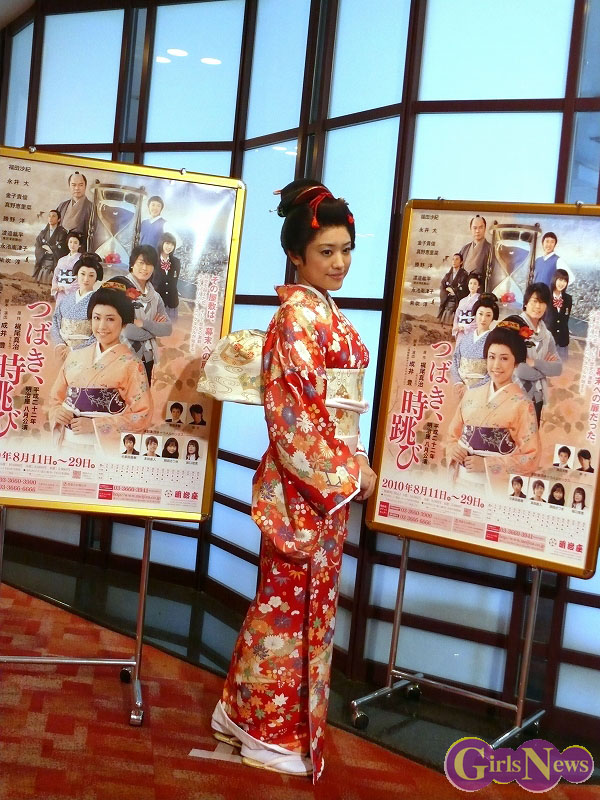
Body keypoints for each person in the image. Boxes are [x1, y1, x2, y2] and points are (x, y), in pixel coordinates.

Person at [211, 179, 376, 781]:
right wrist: (349, 470)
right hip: (304, 487)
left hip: (325, 481)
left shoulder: (322, 313)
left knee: (288, 605)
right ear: (296, 256)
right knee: (289, 608)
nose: (339, 262)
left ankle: (240, 712)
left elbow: (330, 410)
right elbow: (294, 416)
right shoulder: (295, 319)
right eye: (326, 251)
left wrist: (352, 460)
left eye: (346, 249)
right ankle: (267, 731)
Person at [48, 281, 152, 447]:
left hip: (102, 447)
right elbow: (55, 399)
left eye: (110, 319)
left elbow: (142, 414)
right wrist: (58, 412)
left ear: (124, 323)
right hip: (66, 442)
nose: (102, 326)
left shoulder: (132, 364)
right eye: (96, 318)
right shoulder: (75, 355)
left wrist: (96, 426)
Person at [446, 316, 541, 483]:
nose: (496, 365)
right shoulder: (471, 394)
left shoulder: (523, 404)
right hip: (460, 478)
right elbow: (453, 435)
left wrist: (487, 465)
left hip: (492, 486)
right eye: (491, 357)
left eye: (504, 358)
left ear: (516, 363)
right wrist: (454, 449)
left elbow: (531, 456)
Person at [121, 245, 172, 385]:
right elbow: (128, 331)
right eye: (141, 263)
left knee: (143, 396)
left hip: (147, 357)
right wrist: (154, 329)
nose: (145, 268)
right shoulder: (121, 289)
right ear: (132, 264)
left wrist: (144, 324)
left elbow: (168, 329)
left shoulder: (155, 296)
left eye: (149, 264)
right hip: (123, 355)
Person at [514, 282, 562, 426]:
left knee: (532, 435)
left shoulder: (547, 335)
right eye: (534, 301)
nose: (538, 306)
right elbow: (520, 370)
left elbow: (558, 368)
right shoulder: (515, 327)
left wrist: (535, 363)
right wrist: (545, 369)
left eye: (542, 302)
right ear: (525, 303)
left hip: (537, 396)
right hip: (515, 393)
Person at [50, 253, 103, 357]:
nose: (86, 279)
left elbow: (99, 331)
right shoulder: (66, 299)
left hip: (84, 352)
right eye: (82, 274)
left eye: (91, 275)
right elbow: (55, 321)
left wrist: (73, 349)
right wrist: (60, 344)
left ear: (96, 278)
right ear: (76, 275)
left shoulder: (99, 301)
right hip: (62, 349)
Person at [450, 294, 499, 396]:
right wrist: (458, 382)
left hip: (480, 391)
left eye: (488, 315)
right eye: (480, 314)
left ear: (493, 317)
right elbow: (455, 360)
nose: (483, 319)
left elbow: (494, 371)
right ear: (475, 314)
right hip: (460, 388)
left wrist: (470, 388)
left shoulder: (494, 341)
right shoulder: (465, 337)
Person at [57, 172, 93, 244]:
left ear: (85, 186)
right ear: (69, 186)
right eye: (73, 185)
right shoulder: (62, 206)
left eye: (81, 185)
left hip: (81, 247)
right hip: (60, 247)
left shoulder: (91, 208)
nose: (77, 188)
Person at [151, 232, 180, 320]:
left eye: (172, 244)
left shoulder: (176, 262)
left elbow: (174, 282)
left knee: (172, 326)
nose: (169, 247)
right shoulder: (152, 260)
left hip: (172, 303)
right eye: (167, 243)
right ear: (161, 243)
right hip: (156, 303)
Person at [33, 209, 68, 282]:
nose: (50, 218)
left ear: (59, 219)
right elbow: (38, 246)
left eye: (53, 216)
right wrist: (48, 250)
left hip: (54, 264)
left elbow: (63, 247)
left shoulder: (62, 233)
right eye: (49, 216)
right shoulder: (43, 233)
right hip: (43, 264)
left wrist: (50, 249)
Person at [545, 269, 572, 361]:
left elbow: (565, 319)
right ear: (554, 279)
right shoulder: (545, 296)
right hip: (547, 340)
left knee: (562, 366)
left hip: (562, 341)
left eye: (565, 281)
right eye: (560, 280)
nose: (562, 283)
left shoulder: (568, 299)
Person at [51, 231, 82, 306]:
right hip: (60, 290)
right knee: (59, 309)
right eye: (70, 242)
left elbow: (81, 277)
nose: (72, 245)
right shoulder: (61, 260)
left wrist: (66, 288)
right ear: (67, 243)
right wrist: (55, 286)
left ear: (79, 245)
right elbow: (55, 275)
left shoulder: (81, 259)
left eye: (75, 242)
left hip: (73, 290)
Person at [438, 253, 469, 326]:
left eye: (457, 259)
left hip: (457, 302)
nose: (454, 261)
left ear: (461, 262)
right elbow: (442, 287)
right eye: (453, 259)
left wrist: (453, 291)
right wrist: (449, 291)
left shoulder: (464, 275)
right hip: (447, 301)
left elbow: (464, 288)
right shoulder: (448, 275)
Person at [452, 272, 481, 340]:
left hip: (471, 330)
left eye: (475, 284)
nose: (472, 286)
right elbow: (457, 316)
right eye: (470, 283)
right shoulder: (462, 301)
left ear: (478, 286)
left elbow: (479, 317)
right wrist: (456, 326)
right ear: (468, 285)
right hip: (459, 329)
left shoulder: (480, 300)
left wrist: (466, 328)